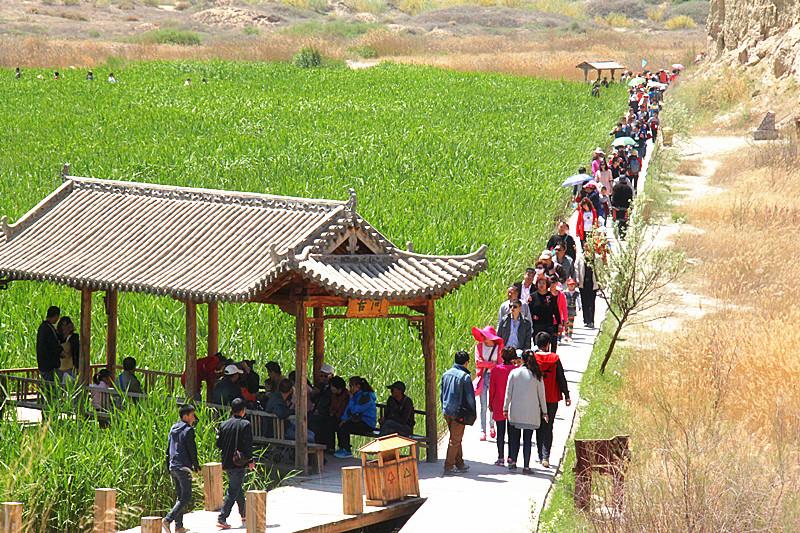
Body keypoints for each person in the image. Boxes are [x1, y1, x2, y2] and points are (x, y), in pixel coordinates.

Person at [503, 350, 547, 474]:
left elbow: (508, 393)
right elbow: (542, 396)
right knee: (527, 440)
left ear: (521, 359)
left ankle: (512, 463)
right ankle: (526, 467)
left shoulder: (514, 373)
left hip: (516, 412)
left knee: (514, 438)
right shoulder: (537, 375)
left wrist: (505, 408)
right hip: (531, 414)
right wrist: (544, 412)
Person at [533, 333, 571, 468]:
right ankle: (546, 456)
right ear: (548, 344)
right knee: (548, 426)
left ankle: (538, 454)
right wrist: (566, 394)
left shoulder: (533, 358)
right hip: (552, 397)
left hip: (536, 398)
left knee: (538, 426)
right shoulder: (555, 358)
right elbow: (561, 378)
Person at [216, 398, 254, 530]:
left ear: (231, 410)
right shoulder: (246, 424)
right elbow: (247, 444)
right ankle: (222, 517)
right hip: (238, 462)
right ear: (243, 410)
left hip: (226, 462)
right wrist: (250, 460)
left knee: (237, 487)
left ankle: (244, 513)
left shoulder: (223, 424)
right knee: (233, 490)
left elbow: (218, 444)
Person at [163, 404, 201, 533]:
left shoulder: (173, 428)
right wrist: (196, 466)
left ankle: (178, 526)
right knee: (186, 497)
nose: (193, 417)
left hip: (173, 466)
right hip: (184, 466)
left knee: (180, 496)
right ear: (185, 416)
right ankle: (168, 519)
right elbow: (192, 450)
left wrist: (168, 467)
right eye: (192, 415)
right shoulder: (188, 430)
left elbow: (167, 450)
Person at [440, 350, 475, 475]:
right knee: (455, 440)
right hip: (458, 413)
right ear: (466, 363)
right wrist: (473, 414)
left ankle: (460, 463)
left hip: (447, 410)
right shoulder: (465, 377)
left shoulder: (446, 374)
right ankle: (448, 466)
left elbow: (441, 393)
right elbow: (470, 398)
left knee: (456, 438)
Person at [471, 325, 504, 441]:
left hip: (495, 377)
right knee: (483, 405)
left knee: (493, 404)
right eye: (483, 335)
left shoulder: (499, 347)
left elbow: (500, 363)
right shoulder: (479, 347)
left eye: (486, 336)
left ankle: (491, 425)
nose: (484, 338)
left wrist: (486, 363)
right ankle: (482, 430)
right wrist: (491, 363)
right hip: (483, 377)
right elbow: (478, 362)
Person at [334, 377, 377, 458]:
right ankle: (341, 447)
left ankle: (347, 450)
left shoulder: (366, 397)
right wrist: (344, 419)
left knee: (345, 428)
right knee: (340, 424)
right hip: (358, 421)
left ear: (358, 386)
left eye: (352, 386)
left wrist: (351, 398)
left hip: (367, 424)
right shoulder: (355, 396)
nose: (351, 389)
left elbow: (354, 410)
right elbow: (348, 409)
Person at [488, 346, 517, 466]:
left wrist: (490, 403)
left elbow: (492, 388)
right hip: (512, 403)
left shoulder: (495, 369)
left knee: (500, 432)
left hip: (498, 402)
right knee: (512, 432)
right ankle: (511, 457)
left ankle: (500, 457)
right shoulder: (516, 370)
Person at [37, 306, 66, 383]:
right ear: (56, 316)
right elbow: (53, 344)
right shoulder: (48, 329)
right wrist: (61, 352)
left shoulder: (43, 327)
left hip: (44, 365)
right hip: (49, 366)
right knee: (52, 389)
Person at [528, 276, 561, 341]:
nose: (541, 285)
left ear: (547, 285)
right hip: (536, 324)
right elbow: (529, 311)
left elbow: (556, 311)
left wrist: (559, 325)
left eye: (543, 283)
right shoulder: (533, 296)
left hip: (548, 324)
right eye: (539, 283)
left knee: (546, 342)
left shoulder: (551, 296)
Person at [575, 252, 598, 329]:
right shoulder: (580, 257)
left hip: (592, 283)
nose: (587, 248)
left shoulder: (597, 258)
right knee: (584, 302)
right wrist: (577, 279)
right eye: (586, 246)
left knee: (591, 302)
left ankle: (591, 320)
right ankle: (586, 319)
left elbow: (601, 270)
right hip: (583, 283)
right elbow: (576, 269)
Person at [55, 316, 79, 383]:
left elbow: (77, 351)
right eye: (63, 325)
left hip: (70, 365)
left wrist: (77, 366)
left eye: (66, 325)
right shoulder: (57, 336)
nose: (64, 327)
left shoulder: (74, 337)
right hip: (59, 366)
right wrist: (65, 333)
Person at [549, 278, 567, 352]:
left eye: (554, 283)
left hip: (557, 320)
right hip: (547, 320)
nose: (552, 285)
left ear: (557, 283)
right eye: (550, 283)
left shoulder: (561, 294)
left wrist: (565, 321)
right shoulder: (546, 294)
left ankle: (553, 358)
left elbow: (564, 308)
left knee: (554, 340)